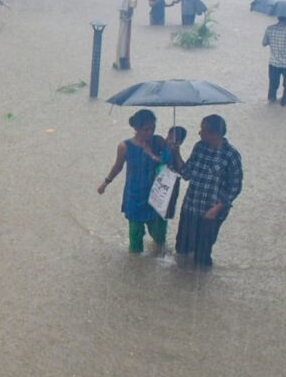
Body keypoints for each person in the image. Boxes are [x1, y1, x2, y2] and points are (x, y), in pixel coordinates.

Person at [170, 115, 243, 268]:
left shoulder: (231, 155)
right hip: (190, 207)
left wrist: (216, 209)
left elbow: (235, 188)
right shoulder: (199, 147)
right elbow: (186, 173)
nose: (199, 133)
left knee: (202, 257)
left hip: (211, 213)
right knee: (182, 250)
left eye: (203, 131)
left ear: (215, 134)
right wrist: (176, 153)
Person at [97, 109, 169, 253]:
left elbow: (169, 162)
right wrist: (106, 182)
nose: (150, 132)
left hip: (156, 196)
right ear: (136, 128)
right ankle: (135, 268)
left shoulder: (158, 142)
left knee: (159, 236)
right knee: (135, 238)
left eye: (153, 128)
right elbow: (118, 167)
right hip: (134, 195)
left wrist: (167, 149)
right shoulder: (125, 147)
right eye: (146, 129)